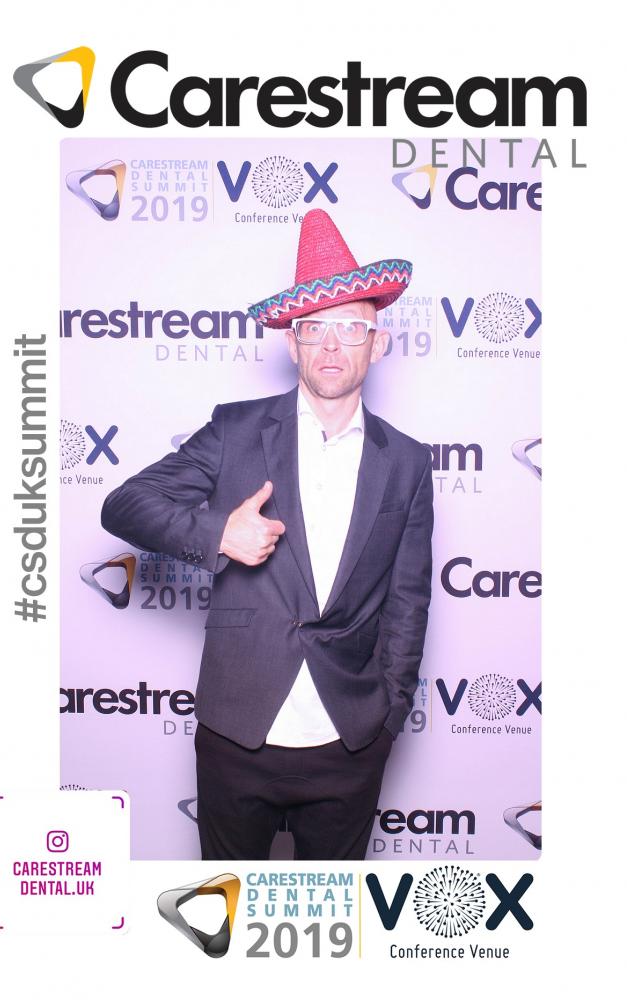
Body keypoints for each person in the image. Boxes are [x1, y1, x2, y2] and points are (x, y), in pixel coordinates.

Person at [101, 209, 433, 860]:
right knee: (225, 910)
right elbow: (125, 505)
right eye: (315, 329)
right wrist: (216, 532)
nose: (332, 346)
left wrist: (388, 716)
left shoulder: (407, 461)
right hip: (237, 733)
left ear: (378, 343)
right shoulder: (235, 431)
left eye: (351, 328)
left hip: (349, 740)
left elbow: (408, 601)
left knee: (331, 912)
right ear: (292, 343)